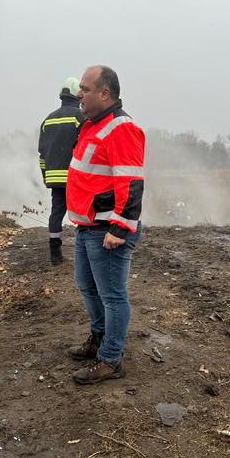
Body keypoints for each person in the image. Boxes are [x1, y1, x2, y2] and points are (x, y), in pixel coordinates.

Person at [66, 65, 145, 384]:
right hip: (88, 226)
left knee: (112, 295)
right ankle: (99, 338)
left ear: (105, 92)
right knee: (87, 285)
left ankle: (111, 359)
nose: (78, 94)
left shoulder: (121, 128)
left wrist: (120, 228)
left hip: (106, 230)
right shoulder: (92, 126)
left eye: (84, 89)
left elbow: (131, 182)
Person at [38, 77, 83, 264]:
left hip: (54, 177)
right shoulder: (80, 118)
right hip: (76, 176)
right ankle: (85, 252)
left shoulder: (47, 120)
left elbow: (42, 154)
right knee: (83, 212)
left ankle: (55, 254)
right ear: (76, 95)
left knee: (57, 212)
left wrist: (45, 176)